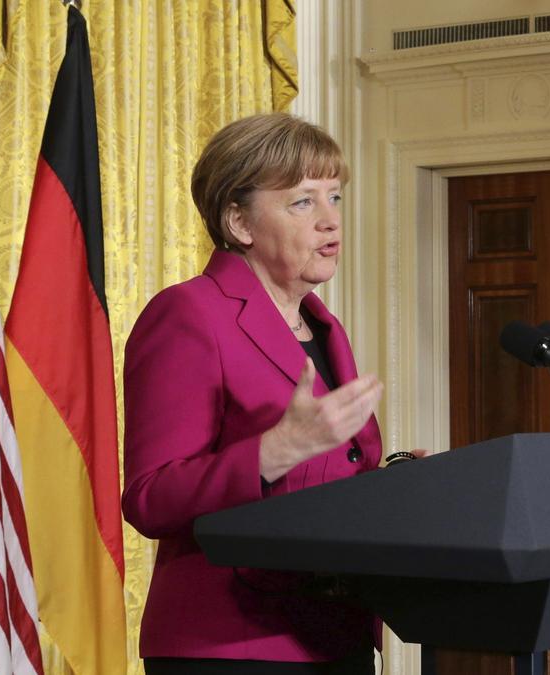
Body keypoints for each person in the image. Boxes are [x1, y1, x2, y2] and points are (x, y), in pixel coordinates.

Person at [122, 113, 385, 675]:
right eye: (302, 202)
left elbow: (332, 472)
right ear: (239, 221)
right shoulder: (190, 314)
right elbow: (149, 497)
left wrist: (401, 479)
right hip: (233, 644)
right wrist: (275, 450)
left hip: (336, 632)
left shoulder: (323, 327)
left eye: (335, 197)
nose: (330, 221)